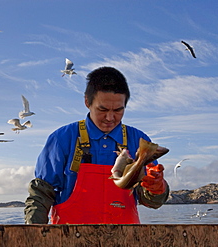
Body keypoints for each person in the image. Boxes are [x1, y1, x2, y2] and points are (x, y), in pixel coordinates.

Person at [24, 66, 169, 224]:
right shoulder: (62, 139)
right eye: (103, 109)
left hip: (126, 239)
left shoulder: (139, 140)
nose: (110, 117)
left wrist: (157, 188)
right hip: (70, 239)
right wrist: (34, 235)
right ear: (87, 101)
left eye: (118, 110)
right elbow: (40, 195)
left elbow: (153, 202)